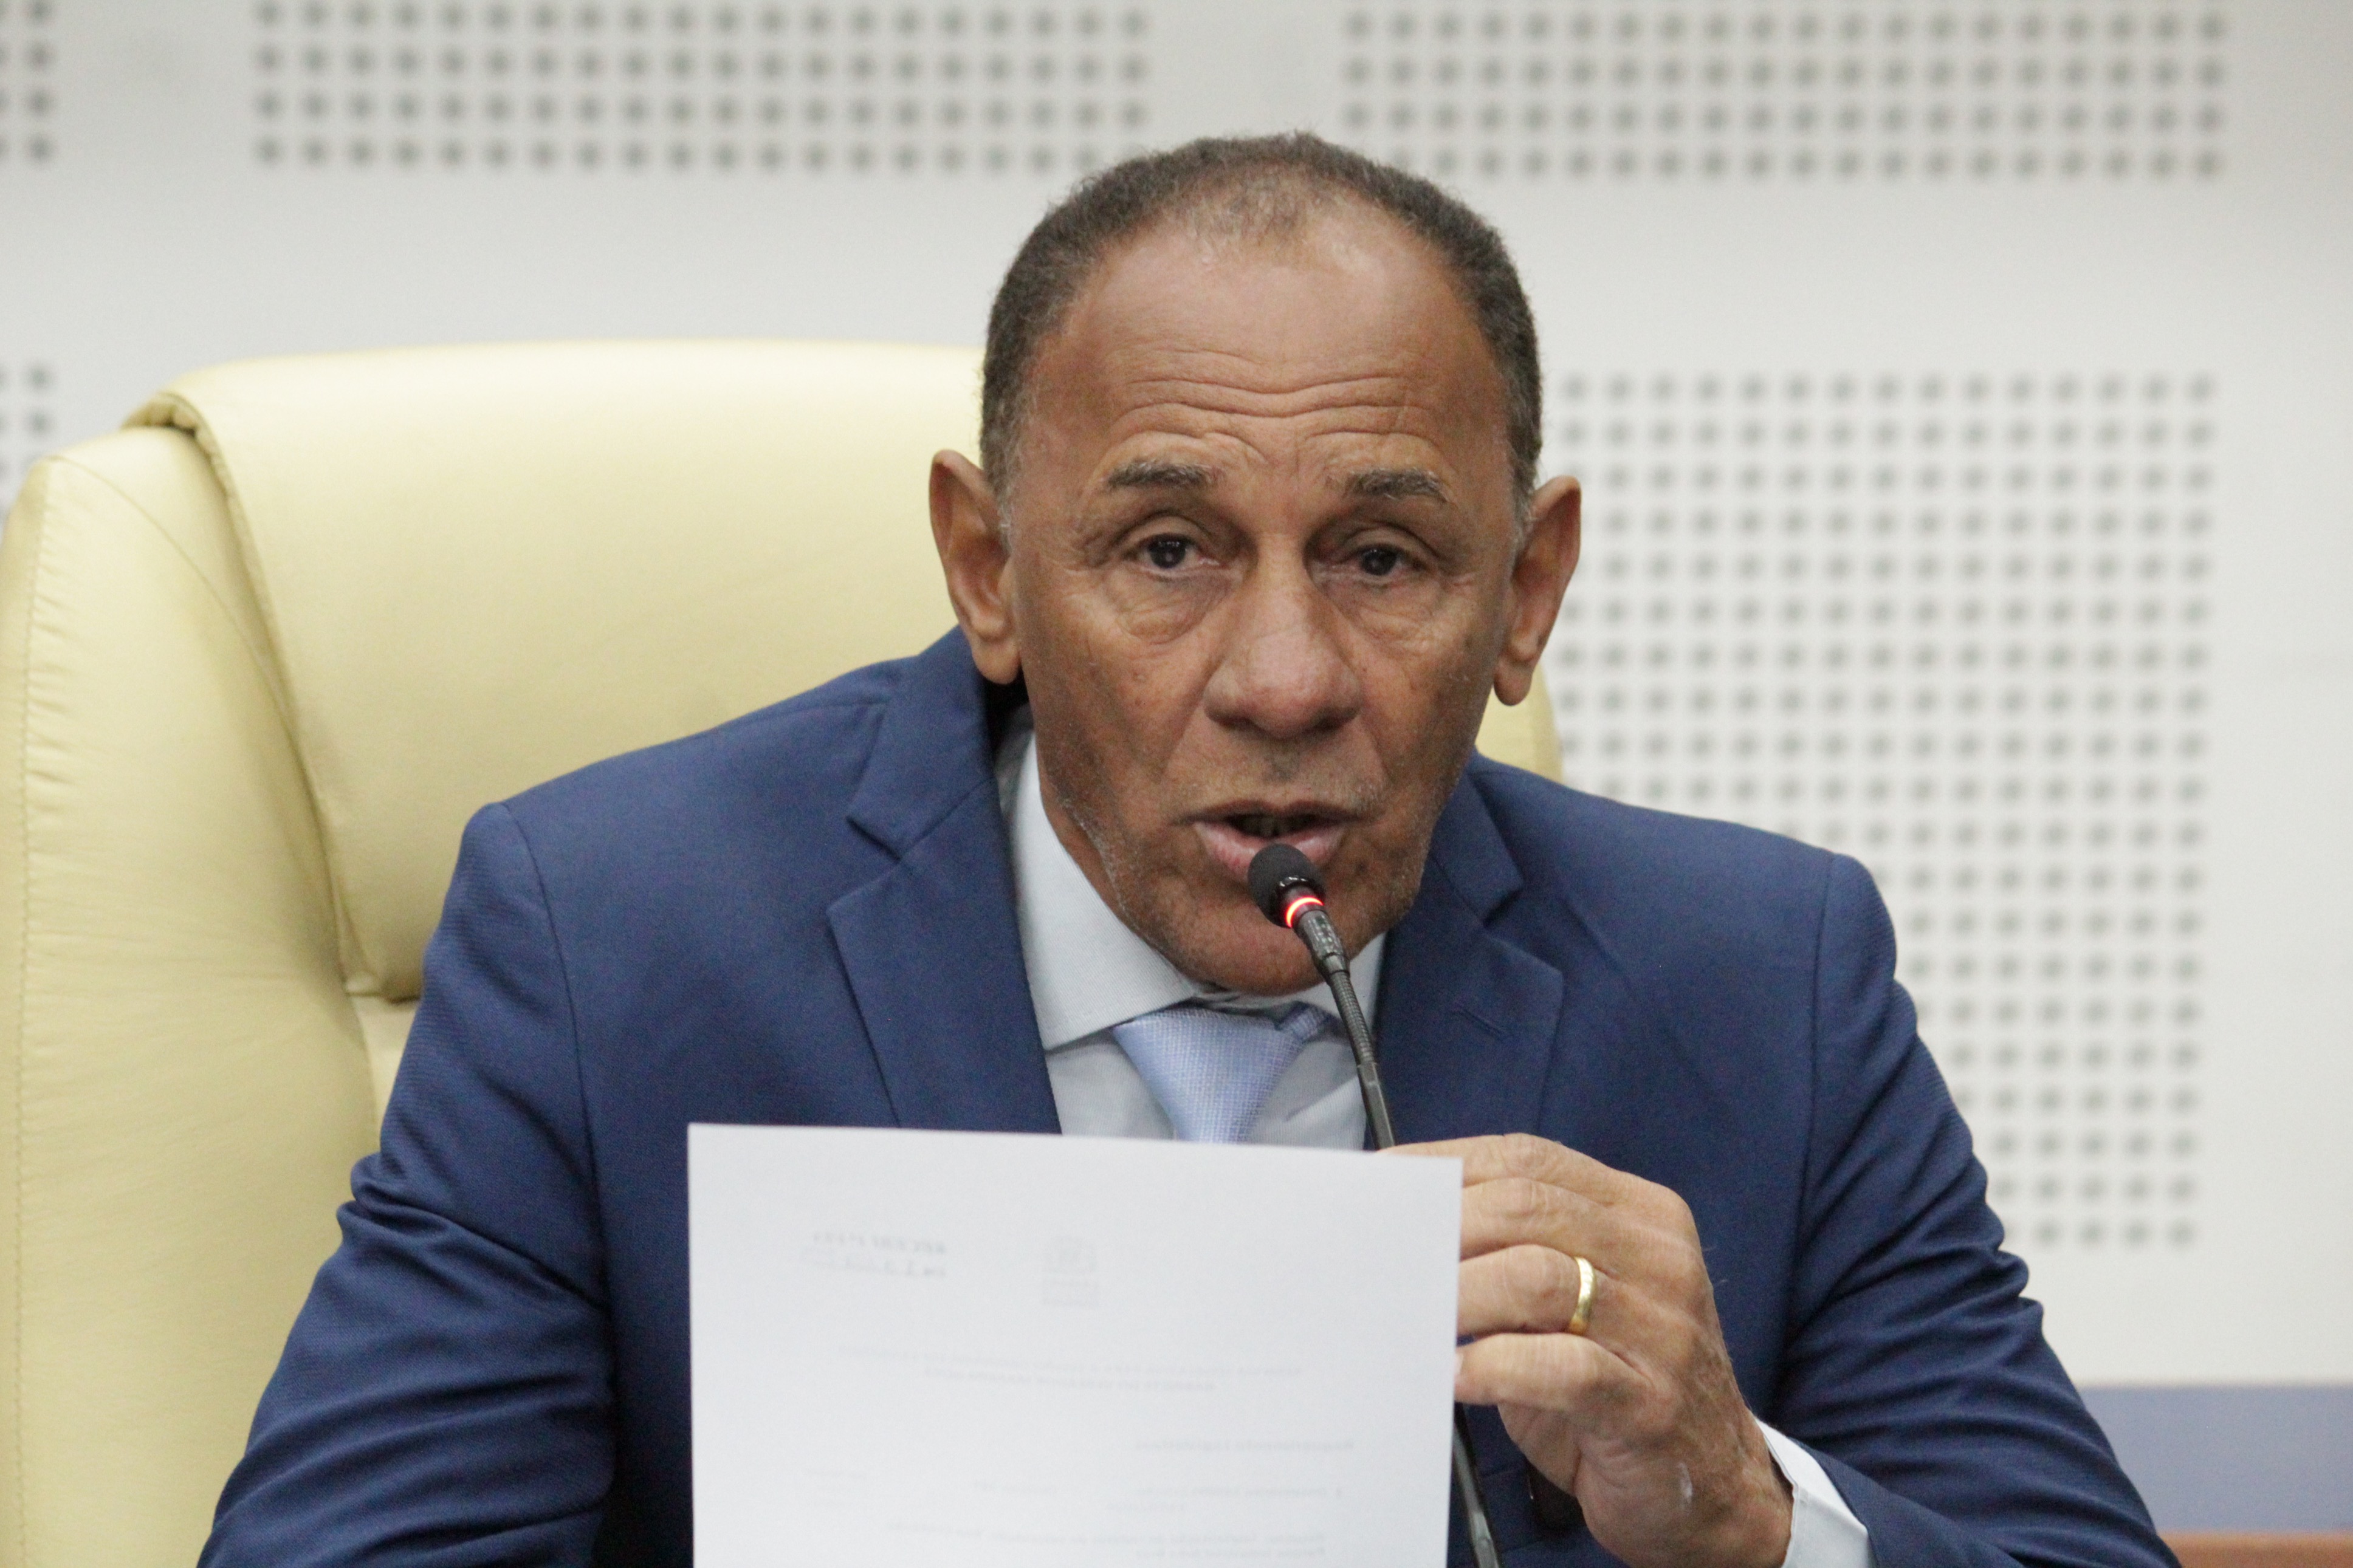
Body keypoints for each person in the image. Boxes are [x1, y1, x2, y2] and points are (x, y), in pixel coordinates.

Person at [201, 134, 2174, 1568]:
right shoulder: (613, 938)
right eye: (1167, 552)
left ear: (1526, 593)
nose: (1284, 678)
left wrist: (1754, 1518)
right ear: (989, 570)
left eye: (1384, 558)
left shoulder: (1764, 980)